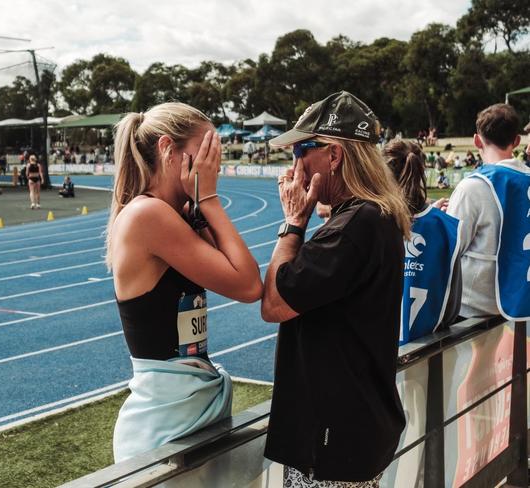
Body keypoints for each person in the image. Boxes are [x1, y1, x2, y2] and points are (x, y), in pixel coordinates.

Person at [261, 91, 409, 486]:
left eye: (301, 151)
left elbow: (274, 303)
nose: (293, 165)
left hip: (334, 441)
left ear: (334, 155)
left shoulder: (353, 227)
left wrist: (293, 222)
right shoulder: (375, 215)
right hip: (357, 432)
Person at [106, 102, 262, 462]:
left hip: (186, 416)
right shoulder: (148, 214)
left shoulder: (176, 214)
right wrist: (209, 199)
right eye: (203, 153)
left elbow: (235, 271)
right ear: (167, 150)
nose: (212, 166)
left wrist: (201, 209)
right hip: (163, 427)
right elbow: (249, 285)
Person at [447, 103, 530, 320]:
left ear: (476, 140)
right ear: (516, 141)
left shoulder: (472, 187)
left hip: (475, 310)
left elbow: (450, 248)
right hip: (521, 305)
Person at [384, 140, 463, 344]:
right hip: (430, 348)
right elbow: (452, 305)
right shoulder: (448, 227)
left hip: (379, 354)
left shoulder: (371, 222)